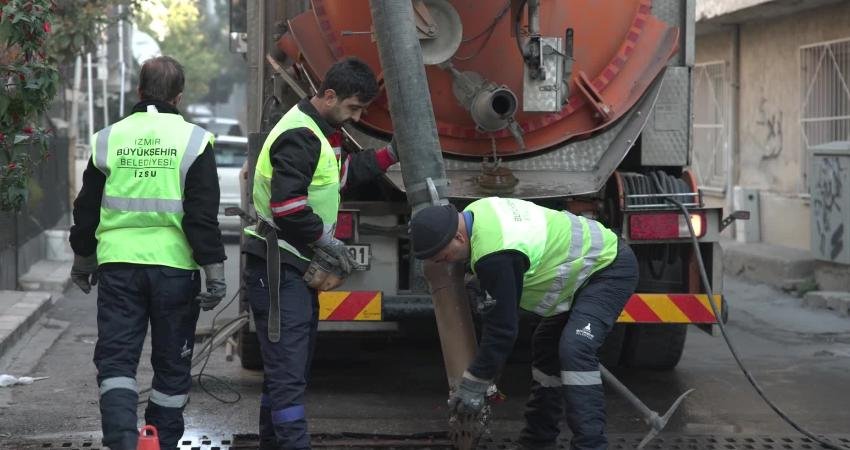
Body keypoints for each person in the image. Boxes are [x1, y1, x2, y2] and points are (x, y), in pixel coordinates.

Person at [69, 56, 227, 450]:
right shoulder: (194, 140)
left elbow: (86, 206)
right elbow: (201, 216)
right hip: (175, 270)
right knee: (172, 364)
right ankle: (161, 441)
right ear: (180, 97)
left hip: (119, 267)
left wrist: (83, 258)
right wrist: (215, 273)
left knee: (117, 360)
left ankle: (122, 441)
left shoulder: (109, 138)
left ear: (138, 92)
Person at [242, 56, 399, 449]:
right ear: (329, 95)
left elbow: (339, 175)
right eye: (353, 107)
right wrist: (326, 242)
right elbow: (287, 207)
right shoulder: (301, 135)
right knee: (289, 376)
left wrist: (391, 155)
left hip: (289, 268)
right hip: (279, 269)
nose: (356, 116)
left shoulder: (314, 129)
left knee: (285, 374)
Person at [410, 197, 639, 450]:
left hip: (608, 268)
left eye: (444, 257)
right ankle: (537, 441)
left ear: (459, 238)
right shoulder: (476, 212)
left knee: (575, 348)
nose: (447, 263)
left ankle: (591, 445)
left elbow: (503, 330)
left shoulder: (494, 253)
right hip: (582, 273)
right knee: (546, 347)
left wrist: (475, 383)